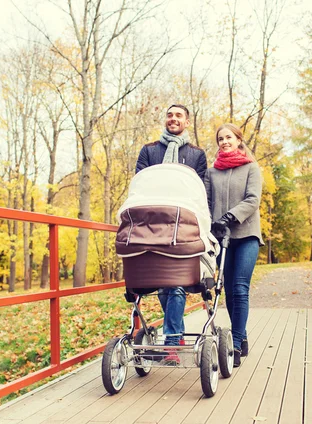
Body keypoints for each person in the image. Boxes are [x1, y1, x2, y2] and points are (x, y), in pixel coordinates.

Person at [135, 104, 207, 365]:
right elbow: (140, 185)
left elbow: (200, 191)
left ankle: (172, 342)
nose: (173, 119)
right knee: (164, 284)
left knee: (174, 284)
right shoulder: (149, 151)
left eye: (178, 115)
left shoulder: (197, 155)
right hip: (152, 226)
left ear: (187, 122)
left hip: (182, 225)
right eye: (169, 115)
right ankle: (172, 340)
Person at [204, 123, 263, 367]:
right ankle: (242, 334)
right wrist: (211, 224)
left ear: (239, 140)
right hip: (222, 239)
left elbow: (253, 200)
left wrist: (230, 216)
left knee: (240, 288)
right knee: (226, 289)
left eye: (228, 137)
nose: (224, 141)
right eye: (220, 138)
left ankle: (235, 343)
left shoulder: (251, 167)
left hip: (246, 234)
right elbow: (206, 202)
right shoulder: (211, 172)